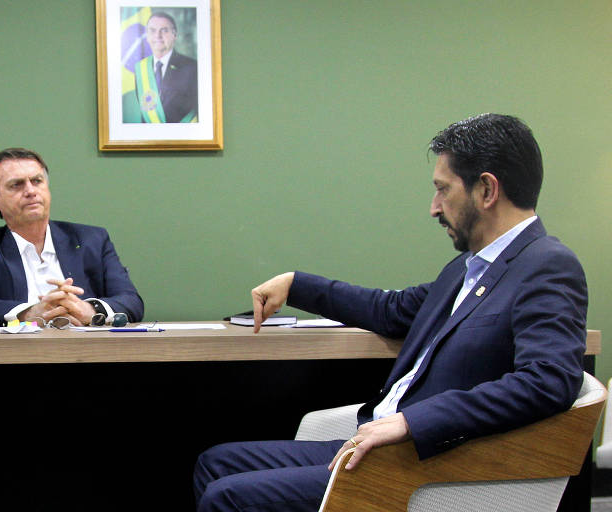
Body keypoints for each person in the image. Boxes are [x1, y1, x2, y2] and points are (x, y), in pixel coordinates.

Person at [193, 114, 588, 512]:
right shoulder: (468, 269)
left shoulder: (547, 265)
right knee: (216, 463)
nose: (434, 208)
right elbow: (391, 310)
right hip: (375, 446)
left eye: (443, 190)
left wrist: (411, 423)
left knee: (226, 498)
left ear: (486, 189)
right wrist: (296, 285)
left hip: (425, 467)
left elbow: (547, 381)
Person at [0, 148, 144, 327]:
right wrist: (27, 313)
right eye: (17, 184)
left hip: (90, 353)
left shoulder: (92, 240)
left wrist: (90, 310)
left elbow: (131, 301)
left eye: (37, 181)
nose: (30, 191)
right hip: (16, 355)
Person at [130, 12, 198, 123]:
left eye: (164, 30)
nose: (158, 36)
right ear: (147, 36)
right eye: (152, 30)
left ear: (174, 35)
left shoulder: (193, 68)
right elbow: (146, 112)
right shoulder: (140, 69)